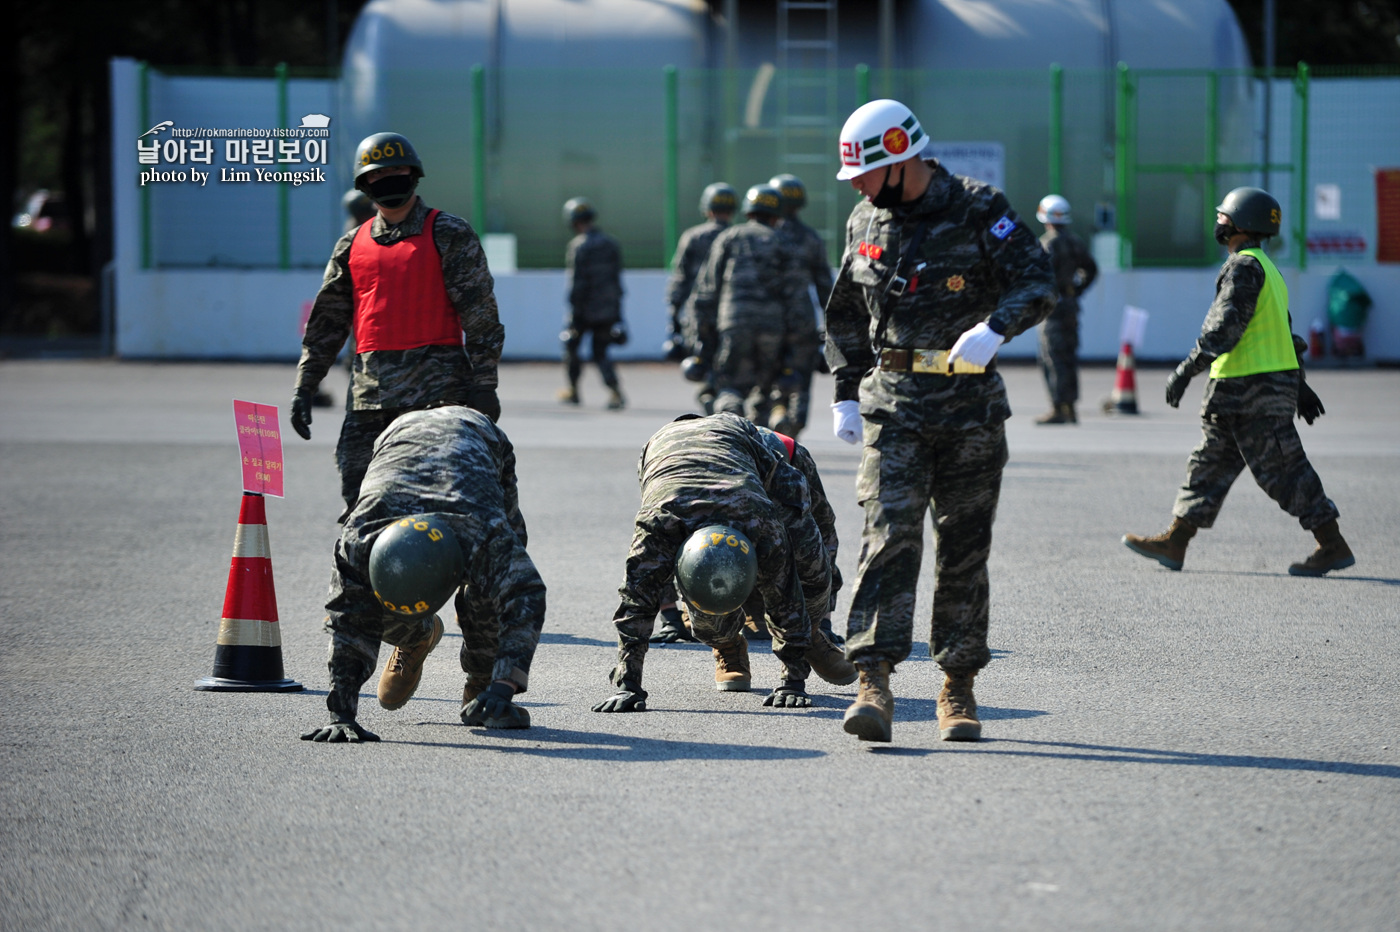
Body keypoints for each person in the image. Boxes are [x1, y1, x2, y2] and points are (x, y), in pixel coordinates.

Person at [824, 99, 1056, 743]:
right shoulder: (865, 218)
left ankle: (957, 686)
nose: (861, 188)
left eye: (868, 174)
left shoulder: (982, 209)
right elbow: (844, 312)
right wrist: (845, 391)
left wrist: (996, 327)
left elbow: (1037, 281)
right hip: (892, 407)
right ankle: (873, 680)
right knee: (888, 538)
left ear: (901, 159)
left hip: (970, 411)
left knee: (963, 550)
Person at [1122, 186, 1354, 577]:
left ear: (1242, 223)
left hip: (1253, 392)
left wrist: (1185, 371)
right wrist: (1299, 384)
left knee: (1284, 470)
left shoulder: (1244, 266)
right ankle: (1176, 542)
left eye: (1223, 217)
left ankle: (1332, 544)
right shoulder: (1266, 269)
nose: (1219, 222)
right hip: (1237, 393)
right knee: (1208, 466)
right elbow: (1287, 333)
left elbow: (1224, 329)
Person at [289, 133, 504, 516]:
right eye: (378, 174)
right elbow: (327, 323)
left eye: (397, 170)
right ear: (364, 184)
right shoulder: (351, 246)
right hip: (369, 401)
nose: (388, 179)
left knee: (446, 502)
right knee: (361, 502)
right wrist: (306, 385)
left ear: (414, 174)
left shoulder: (448, 233)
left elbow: (481, 315)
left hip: (438, 399)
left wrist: (485, 383)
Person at [301, 405, 544, 743]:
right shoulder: (361, 539)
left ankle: (482, 684)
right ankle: (416, 636)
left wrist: (503, 685)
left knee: (492, 588)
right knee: (362, 604)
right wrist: (341, 714)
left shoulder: (482, 531)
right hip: (399, 435)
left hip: (478, 435)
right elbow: (348, 618)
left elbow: (525, 592)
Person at [591, 413, 855, 713]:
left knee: (811, 567)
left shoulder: (758, 519)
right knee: (706, 620)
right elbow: (636, 600)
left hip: (747, 451)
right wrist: (628, 685)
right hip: (662, 449)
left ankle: (810, 637)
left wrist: (792, 680)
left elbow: (784, 591)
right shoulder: (659, 526)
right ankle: (728, 644)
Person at [687, 184, 807, 424]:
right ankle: (762, 436)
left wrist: (699, 337)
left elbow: (705, 292)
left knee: (729, 385)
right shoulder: (784, 243)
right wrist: (794, 350)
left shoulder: (729, 237)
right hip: (773, 329)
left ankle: (730, 420)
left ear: (747, 211)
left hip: (733, 324)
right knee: (764, 391)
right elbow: (797, 300)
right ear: (777, 215)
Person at [768, 173, 834, 438]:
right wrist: (829, 330)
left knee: (767, 374)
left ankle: (775, 412)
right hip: (802, 318)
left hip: (768, 318)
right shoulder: (811, 238)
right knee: (801, 380)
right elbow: (826, 288)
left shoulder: (763, 236)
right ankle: (792, 429)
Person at [1033, 194, 1098, 424]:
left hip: (1052, 309)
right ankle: (1070, 406)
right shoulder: (1075, 241)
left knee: (1052, 357)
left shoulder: (1047, 243)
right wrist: (1076, 290)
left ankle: (1058, 407)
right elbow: (1091, 269)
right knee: (1068, 355)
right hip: (1071, 306)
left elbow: (1041, 276)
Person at [559, 197, 626, 410]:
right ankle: (615, 392)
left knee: (572, 348)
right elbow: (616, 279)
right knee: (601, 352)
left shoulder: (578, 246)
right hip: (607, 309)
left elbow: (576, 282)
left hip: (584, 310)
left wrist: (572, 312)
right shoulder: (611, 243)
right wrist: (617, 312)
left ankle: (573, 391)